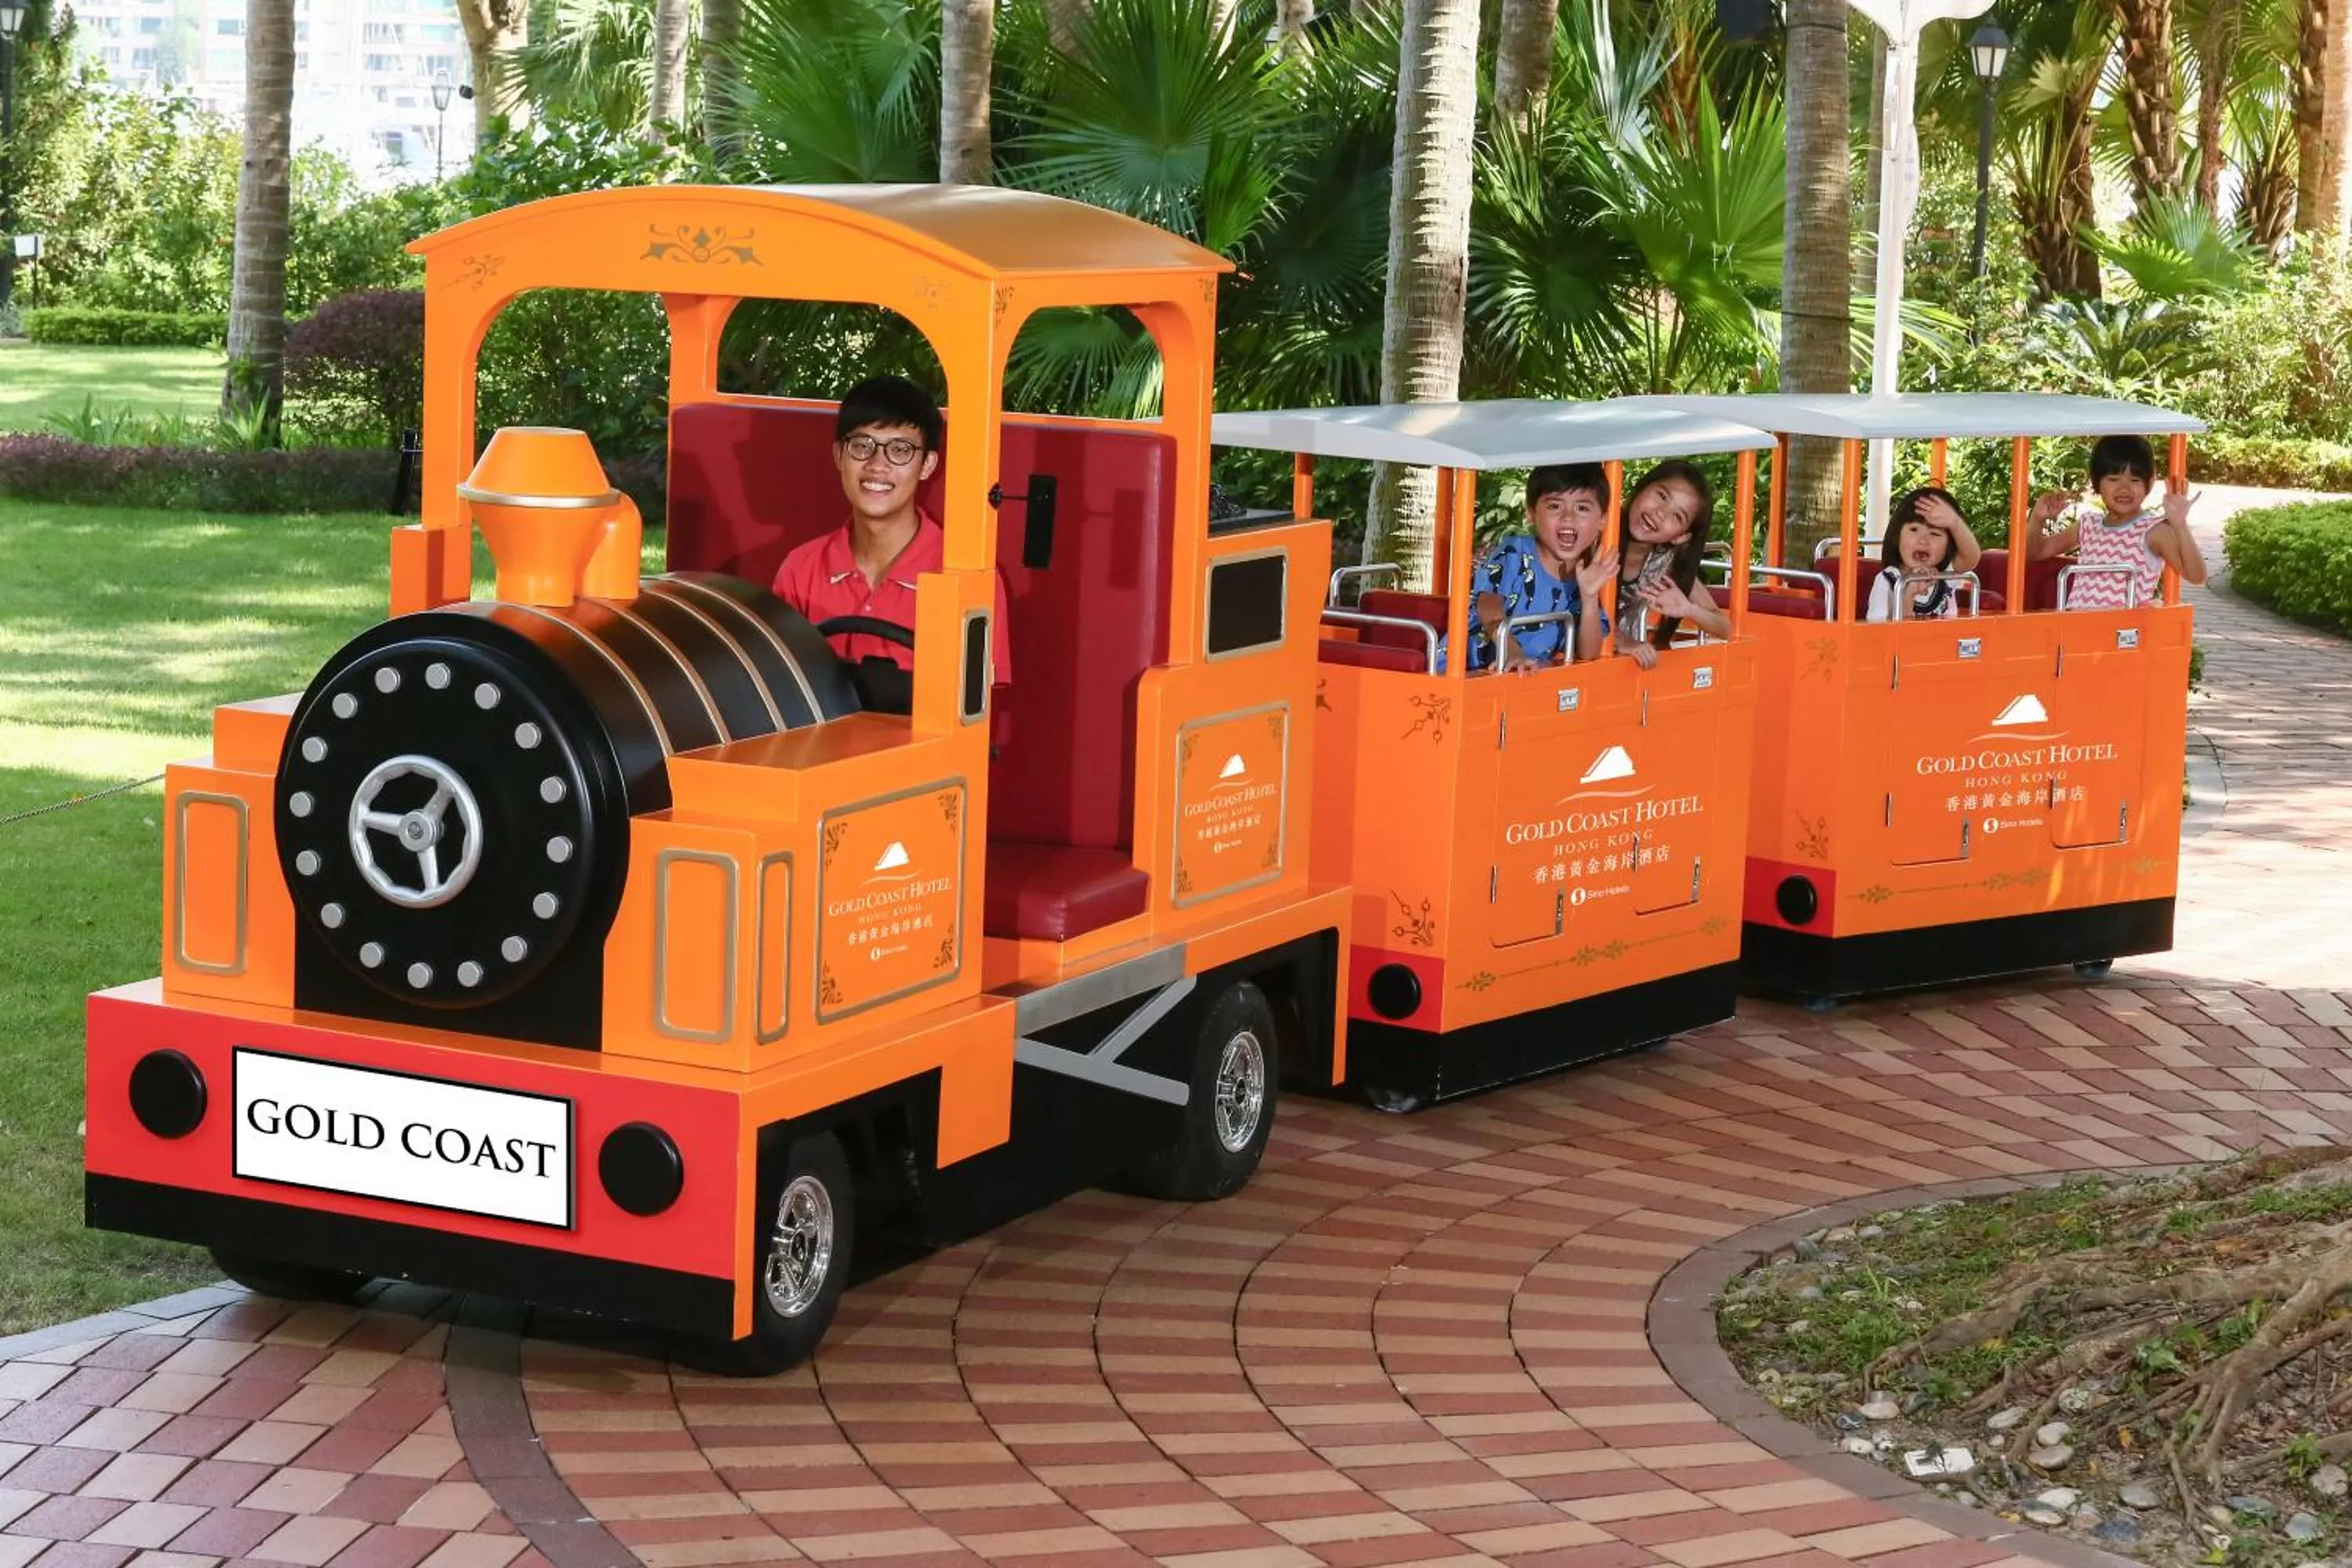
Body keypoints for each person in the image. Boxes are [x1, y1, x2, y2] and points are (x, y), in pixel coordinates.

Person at [771, 375, 1012, 701]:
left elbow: (975, 713)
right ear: (839, 456)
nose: (877, 465)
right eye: (862, 446)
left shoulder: (967, 576)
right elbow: (782, 693)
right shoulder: (801, 569)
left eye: (900, 449)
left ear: (927, 465)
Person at [1436, 463, 1615, 674]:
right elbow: (1488, 606)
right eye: (1555, 506)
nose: (1568, 517)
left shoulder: (1586, 576)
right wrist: (1513, 652)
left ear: (1602, 520)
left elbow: (1588, 652)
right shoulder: (1516, 552)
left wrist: (1590, 596)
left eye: (1582, 508)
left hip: (1520, 677)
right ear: (1531, 514)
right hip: (1464, 671)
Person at [2024, 434, 2207, 610]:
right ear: (2096, 482)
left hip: (2123, 635)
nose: (2124, 488)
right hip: (2078, 630)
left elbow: (2197, 576)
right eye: (2113, 479)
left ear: (2150, 483)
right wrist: (2038, 519)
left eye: (2134, 480)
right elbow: (2035, 553)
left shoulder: (2153, 531)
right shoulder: (2088, 525)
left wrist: (2180, 525)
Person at [1613, 460, 1728, 670]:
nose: (1660, 513)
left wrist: (1689, 609)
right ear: (1641, 486)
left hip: (1622, 667)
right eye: (1662, 496)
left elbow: (1724, 627)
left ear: (1681, 537)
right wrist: (1620, 640)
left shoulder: (1665, 562)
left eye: (1677, 516)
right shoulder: (1594, 534)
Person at [1866, 486, 1983, 622]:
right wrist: (1908, 595)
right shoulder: (1886, 580)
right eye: (1914, 529)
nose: (1923, 540)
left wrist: (1955, 523)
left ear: (1948, 547)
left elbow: (1972, 558)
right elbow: (1880, 635)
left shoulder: (1945, 576)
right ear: (1897, 536)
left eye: (1934, 533)